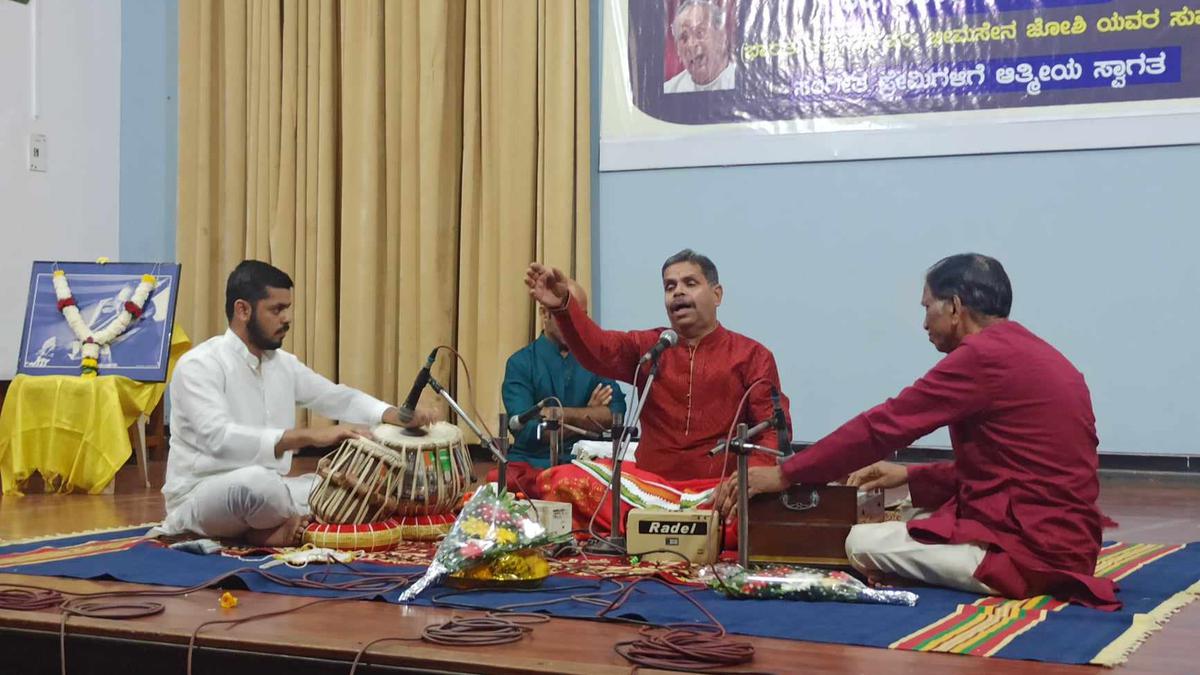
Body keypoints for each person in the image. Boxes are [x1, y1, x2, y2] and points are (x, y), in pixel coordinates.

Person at [716, 254, 1118, 609]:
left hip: (1037, 552)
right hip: (1070, 539)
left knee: (861, 543)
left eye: (928, 307)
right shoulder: (1035, 352)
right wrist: (908, 474)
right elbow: (1013, 468)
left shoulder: (982, 358)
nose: (924, 321)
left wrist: (787, 473)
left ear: (956, 307)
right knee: (912, 509)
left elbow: (883, 427)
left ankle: (970, 576)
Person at [157, 261, 437, 546]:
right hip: (203, 495)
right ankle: (267, 529)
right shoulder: (200, 364)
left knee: (347, 485)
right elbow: (219, 439)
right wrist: (307, 436)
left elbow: (336, 397)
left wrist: (395, 415)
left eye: (287, 308)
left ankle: (262, 530)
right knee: (258, 486)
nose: (286, 318)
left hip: (273, 491)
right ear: (243, 310)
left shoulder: (282, 365)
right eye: (276, 310)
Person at [525, 249, 790, 481]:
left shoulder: (751, 355)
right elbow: (599, 349)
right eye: (669, 286)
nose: (678, 292)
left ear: (717, 294)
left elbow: (771, 434)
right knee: (566, 480)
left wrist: (746, 482)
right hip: (652, 490)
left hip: (719, 491)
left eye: (690, 283)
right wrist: (563, 307)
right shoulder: (651, 347)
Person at [502, 280, 626, 469]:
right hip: (533, 463)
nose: (575, 324)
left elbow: (616, 414)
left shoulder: (596, 359)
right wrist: (588, 416)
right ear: (544, 314)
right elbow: (529, 432)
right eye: (566, 315)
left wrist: (559, 414)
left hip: (586, 464)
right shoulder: (520, 363)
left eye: (581, 316)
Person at [663, 0, 737, 94]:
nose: (691, 44)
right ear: (678, 50)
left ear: (722, 37)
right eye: (684, 37)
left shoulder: (744, 83)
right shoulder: (670, 90)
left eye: (699, 33)